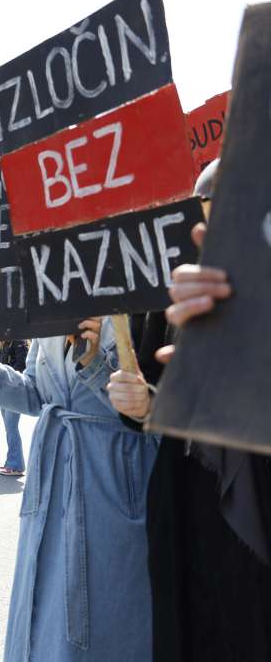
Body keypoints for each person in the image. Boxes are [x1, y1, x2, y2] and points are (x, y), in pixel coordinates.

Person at [107, 160, 271, 660]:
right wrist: (139, 404)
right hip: (183, 490)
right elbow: (153, 393)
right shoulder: (170, 289)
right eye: (201, 215)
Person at [0, 318, 159, 660]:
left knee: (107, 613)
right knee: (45, 610)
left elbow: (157, 411)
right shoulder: (53, 309)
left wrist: (96, 366)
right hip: (51, 488)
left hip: (112, 485)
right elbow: (35, 395)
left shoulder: (137, 303)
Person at [0, 340, 29, 476]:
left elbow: (21, 365)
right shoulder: (5, 343)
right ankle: (12, 463)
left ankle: (15, 465)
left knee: (11, 428)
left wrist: (5, 376)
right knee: (9, 429)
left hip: (14, 391)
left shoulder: (18, 342)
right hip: (6, 391)